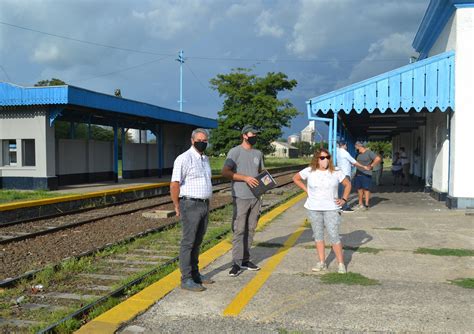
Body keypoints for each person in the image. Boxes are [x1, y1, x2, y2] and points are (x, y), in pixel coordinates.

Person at [293, 148, 351, 274]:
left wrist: (344, 199)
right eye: (322, 158)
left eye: (327, 157)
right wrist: (306, 190)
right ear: (317, 159)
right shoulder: (309, 171)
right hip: (314, 208)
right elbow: (296, 178)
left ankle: (341, 264)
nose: (325, 160)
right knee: (318, 235)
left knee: (334, 235)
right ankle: (322, 262)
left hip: (332, 208)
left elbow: (347, 184)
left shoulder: (336, 171)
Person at [171, 128, 214, 292]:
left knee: (198, 241)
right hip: (190, 204)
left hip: (204, 204)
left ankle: (195, 274)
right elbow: (175, 184)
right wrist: (176, 205)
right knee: (188, 242)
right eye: (199, 140)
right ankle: (186, 278)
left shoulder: (205, 159)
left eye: (205, 140)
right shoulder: (183, 159)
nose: (202, 142)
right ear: (192, 140)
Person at [222, 125, 264, 277]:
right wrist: (245, 178)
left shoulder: (258, 153)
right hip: (241, 196)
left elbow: (260, 173)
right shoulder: (235, 151)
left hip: (256, 197)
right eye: (253, 134)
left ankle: (246, 260)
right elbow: (225, 172)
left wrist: (266, 182)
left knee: (251, 229)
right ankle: (236, 263)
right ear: (245, 135)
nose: (255, 136)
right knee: (239, 230)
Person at [336, 141, 370, 212]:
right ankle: (344, 207)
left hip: (340, 173)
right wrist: (363, 166)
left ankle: (339, 205)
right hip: (345, 174)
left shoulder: (338, 152)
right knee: (346, 190)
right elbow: (354, 161)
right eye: (346, 145)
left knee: (340, 190)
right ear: (344, 145)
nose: (347, 147)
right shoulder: (345, 153)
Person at [353, 141, 381, 210]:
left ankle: (367, 204)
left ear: (359, 146)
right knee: (359, 188)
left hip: (366, 173)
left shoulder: (369, 152)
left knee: (366, 189)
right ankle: (360, 203)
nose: (355, 147)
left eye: (356, 145)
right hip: (358, 173)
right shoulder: (357, 154)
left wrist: (371, 166)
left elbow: (378, 159)